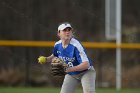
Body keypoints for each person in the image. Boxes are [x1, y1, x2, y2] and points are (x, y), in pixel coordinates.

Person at [39, 22, 96, 93]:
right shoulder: (57, 45)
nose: (67, 32)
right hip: (72, 74)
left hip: (86, 72)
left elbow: (86, 64)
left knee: (89, 91)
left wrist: (69, 69)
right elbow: (54, 55)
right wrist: (46, 59)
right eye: (64, 30)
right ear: (59, 33)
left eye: (69, 30)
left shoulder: (76, 45)